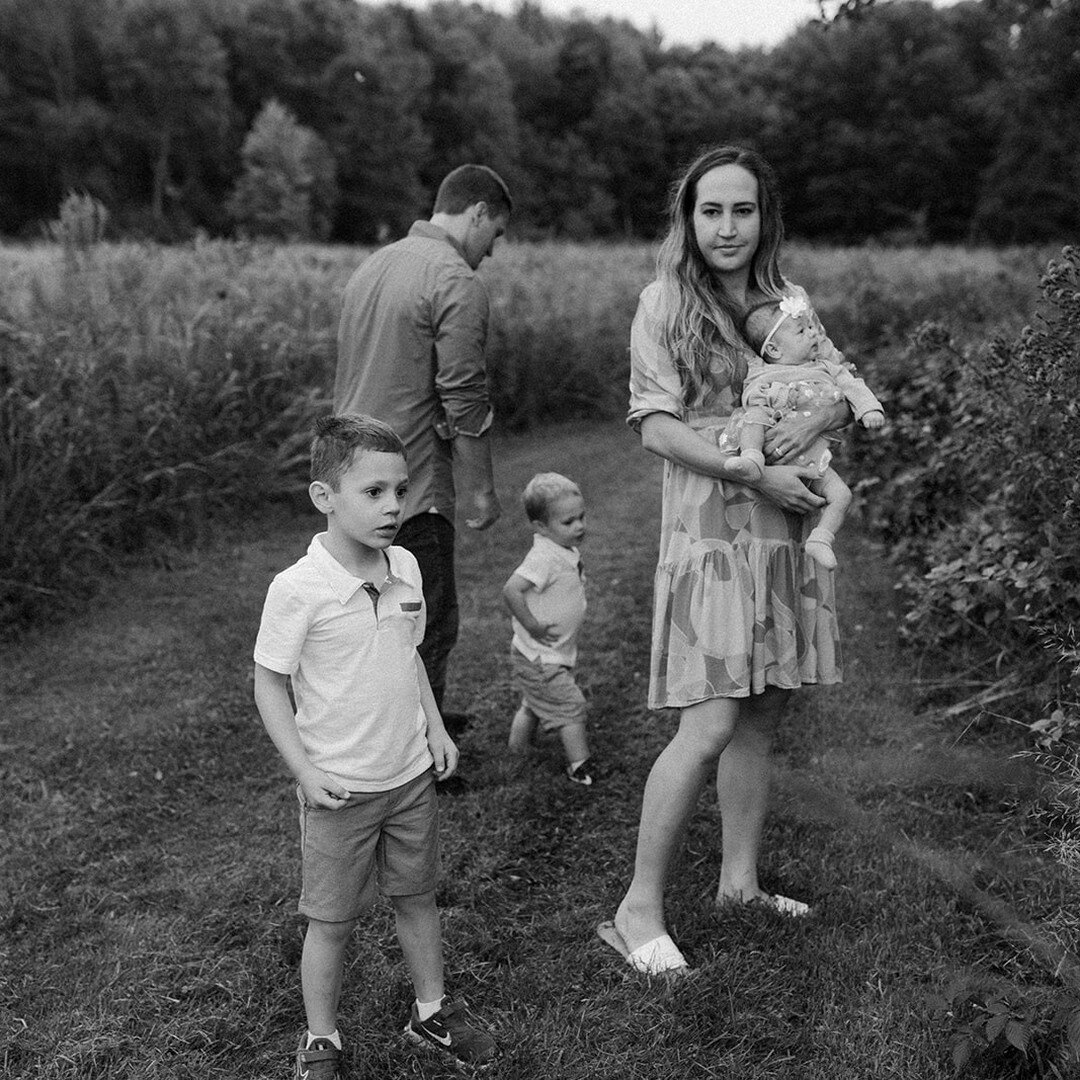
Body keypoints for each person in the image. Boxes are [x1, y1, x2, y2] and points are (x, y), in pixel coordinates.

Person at [597, 146, 849, 977]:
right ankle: (635, 911)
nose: (728, 227)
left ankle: (738, 884)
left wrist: (815, 429)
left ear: (764, 218)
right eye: (712, 211)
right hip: (710, 535)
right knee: (707, 724)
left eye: (743, 211)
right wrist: (745, 465)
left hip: (780, 534)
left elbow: (832, 389)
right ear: (689, 218)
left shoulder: (789, 304)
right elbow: (654, 424)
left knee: (764, 711)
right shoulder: (664, 302)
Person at [252, 415, 496, 1076]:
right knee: (331, 921)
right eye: (373, 492)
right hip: (339, 787)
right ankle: (321, 1038)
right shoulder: (298, 589)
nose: (393, 506)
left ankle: (431, 1015)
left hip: (410, 775)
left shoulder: (408, 565)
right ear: (324, 497)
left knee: (417, 898)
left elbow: (408, 656)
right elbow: (270, 684)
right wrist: (303, 770)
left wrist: (436, 727)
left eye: (400, 489)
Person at [334, 164, 513, 728]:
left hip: (350, 478)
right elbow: (464, 397)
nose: (491, 251)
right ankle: (424, 752)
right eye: (496, 234)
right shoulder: (455, 280)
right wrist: (481, 490)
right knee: (427, 619)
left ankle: (411, 718)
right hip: (410, 483)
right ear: (477, 213)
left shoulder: (372, 267)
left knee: (370, 617)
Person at [717, 292, 886, 570]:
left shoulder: (826, 367)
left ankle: (821, 539)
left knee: (842, 495)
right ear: (774, 350)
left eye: (811, 328)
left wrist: (869, 409)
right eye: (802, 331)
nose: (813, 334)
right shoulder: (762, 372)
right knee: (755, 416)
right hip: (769, 442)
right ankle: (751, 459)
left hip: (812, 454)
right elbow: (750, 401)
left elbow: (854, 386)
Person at [502, 472, 593, 786]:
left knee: (535, 701)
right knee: (570, 706)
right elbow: (512, 590)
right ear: (541, 527)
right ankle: (578, 767)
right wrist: (532, 625)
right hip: (540, 656)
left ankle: (517, 750)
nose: (579, 526)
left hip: (544, 655)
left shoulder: (561, 548)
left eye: (581, 517)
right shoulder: (543, 556)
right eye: (568, 522)